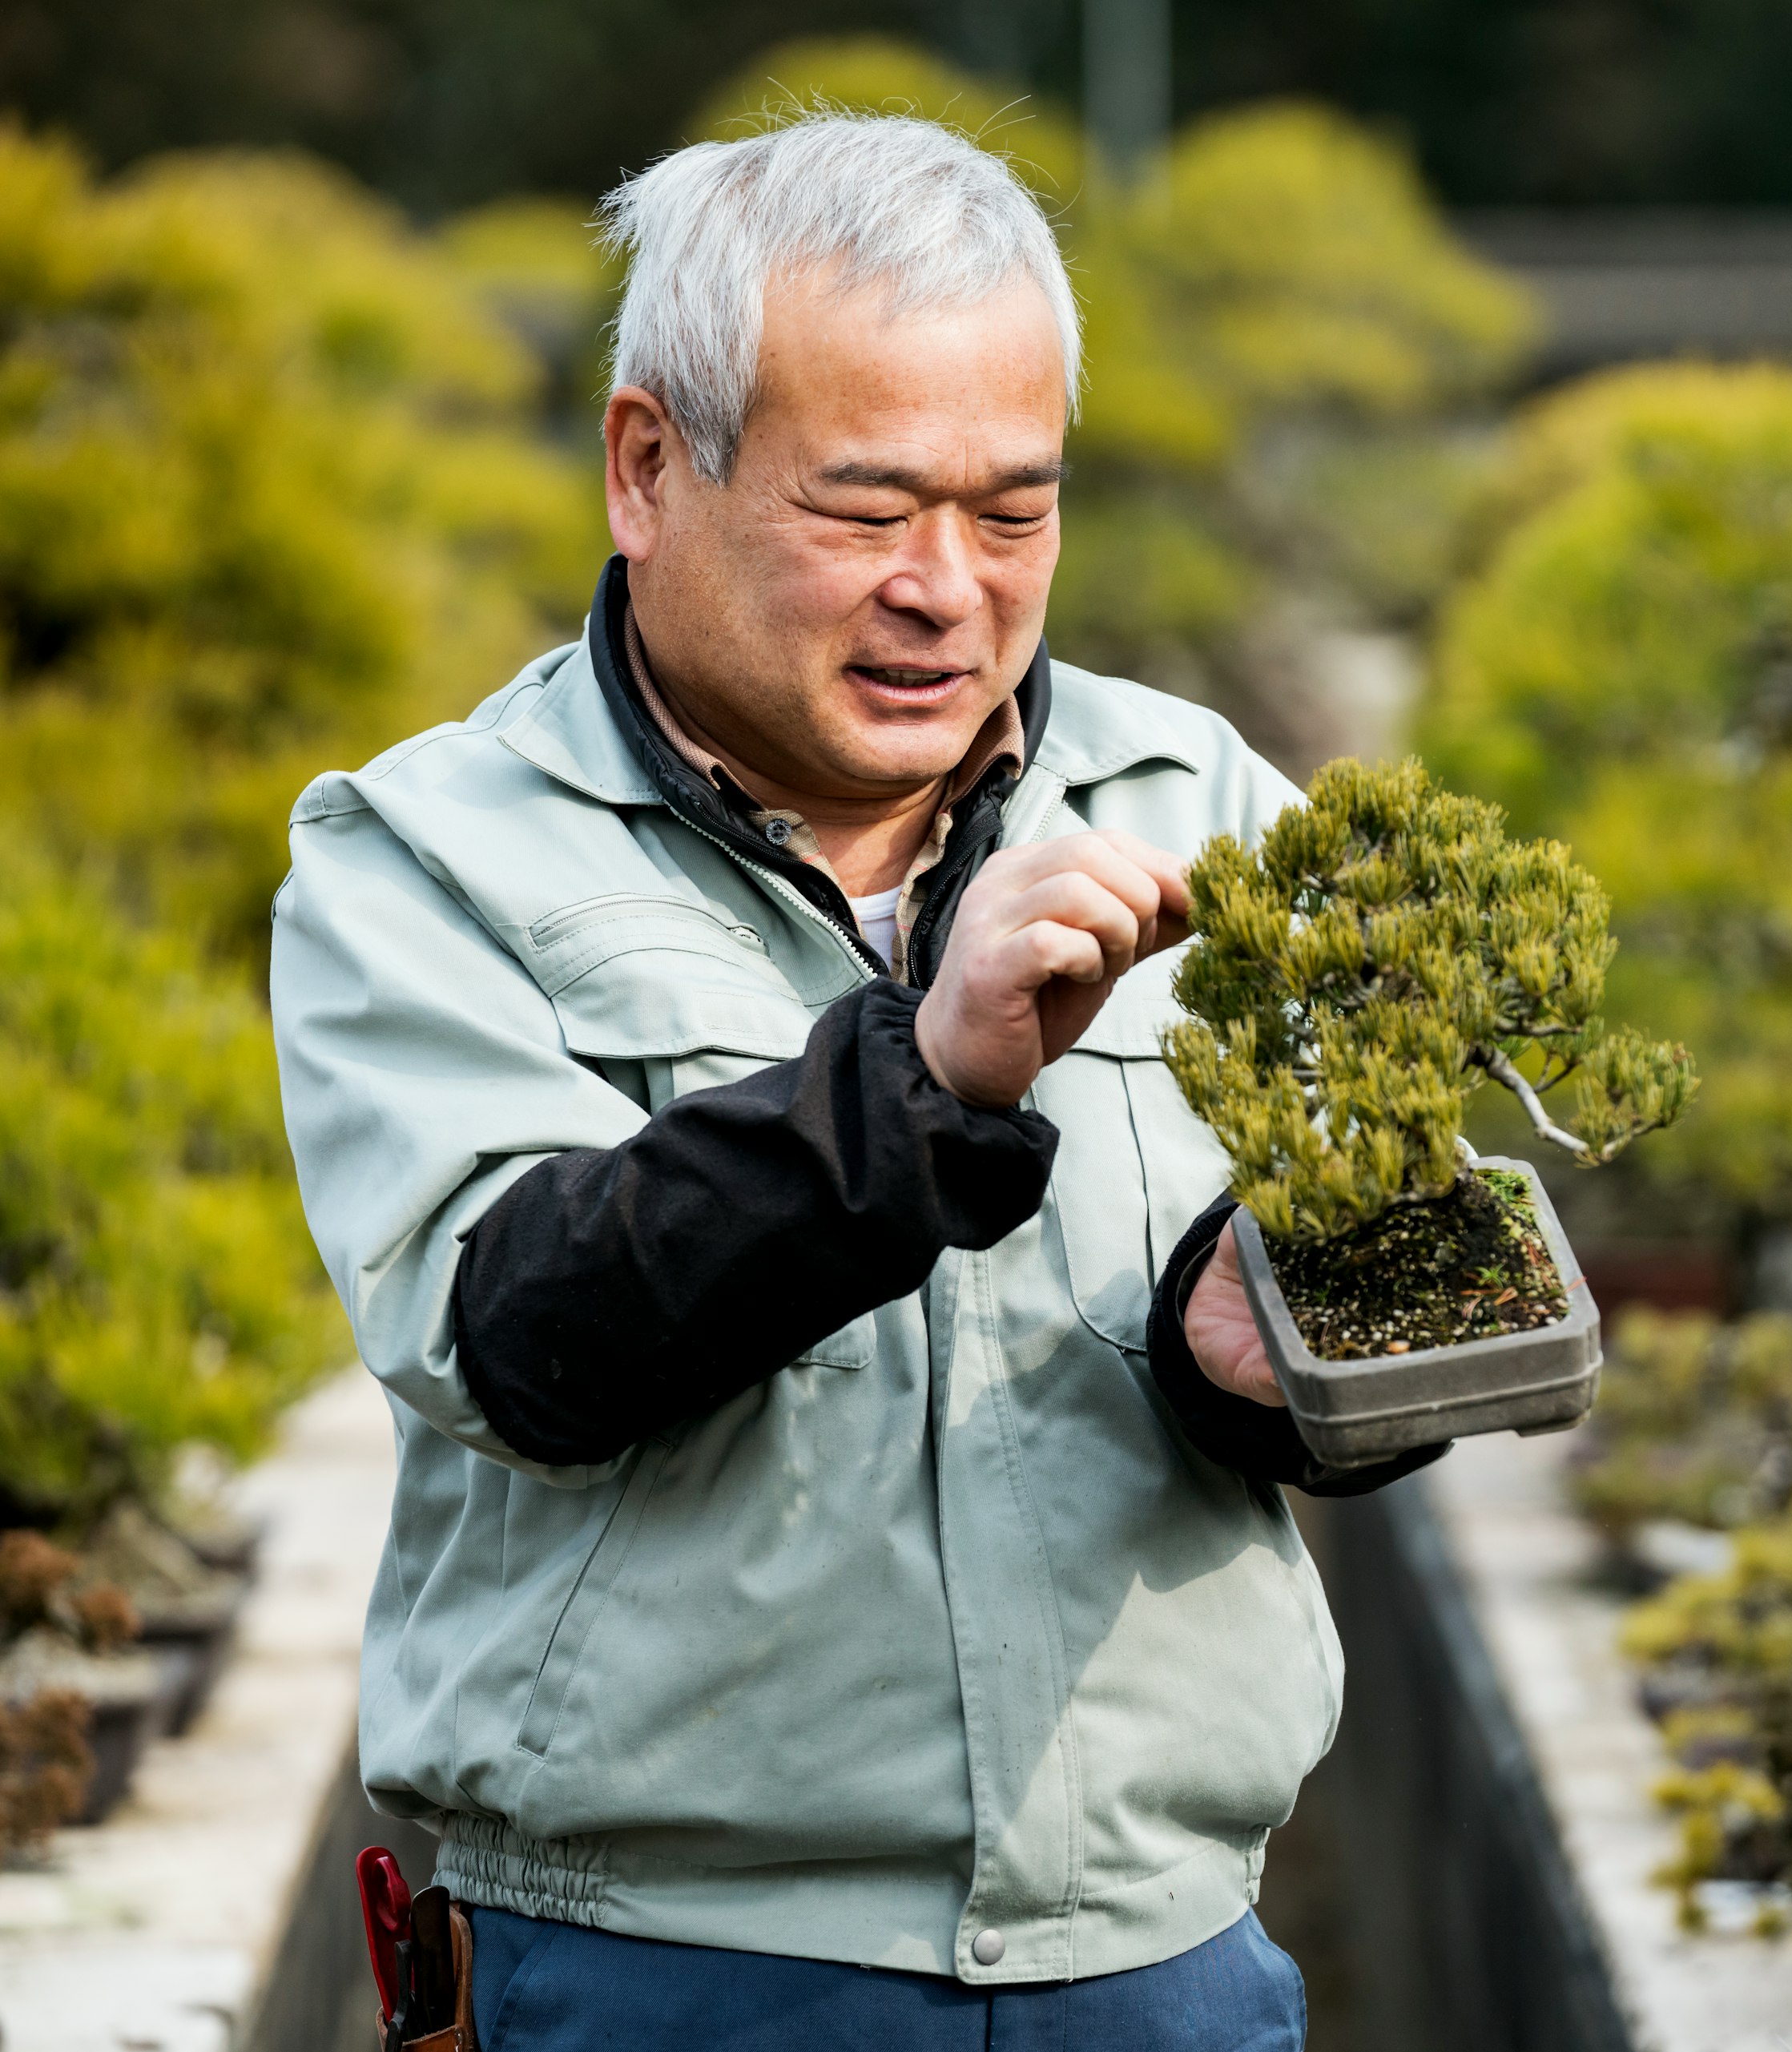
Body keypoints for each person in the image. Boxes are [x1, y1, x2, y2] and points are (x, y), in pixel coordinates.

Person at [268, 111, 1439, 2050]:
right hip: (659, 1975)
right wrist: (922, 1081)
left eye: (1014, 509)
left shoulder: (1207, 812)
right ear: (650, 465)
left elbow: (1370, 1353)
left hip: (1156, 1964)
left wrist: (1284, 1363)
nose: (948, 588)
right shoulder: (435, 856)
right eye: (868, 507)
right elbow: (517, 1332)